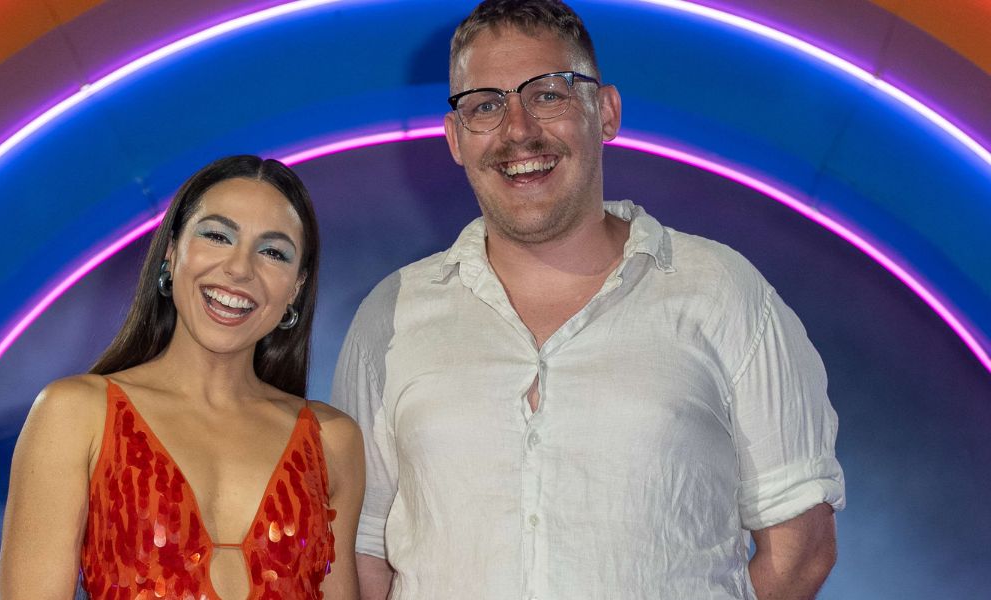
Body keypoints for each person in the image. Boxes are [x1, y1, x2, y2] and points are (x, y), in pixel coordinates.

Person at [331, 1, 845, 599]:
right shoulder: (392, 315)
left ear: (606, 112)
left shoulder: (723, 292)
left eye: (548, 95)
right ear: (454, 138)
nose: (518, 130)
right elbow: (360, 555)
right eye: (485, 106)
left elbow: (800, 550)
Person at [0, 155, 364, 600]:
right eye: (217, 236)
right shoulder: (75, 413)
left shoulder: (332, 441)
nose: (239, 269)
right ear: (171, 253)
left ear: (297, 287)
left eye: (273, 252)